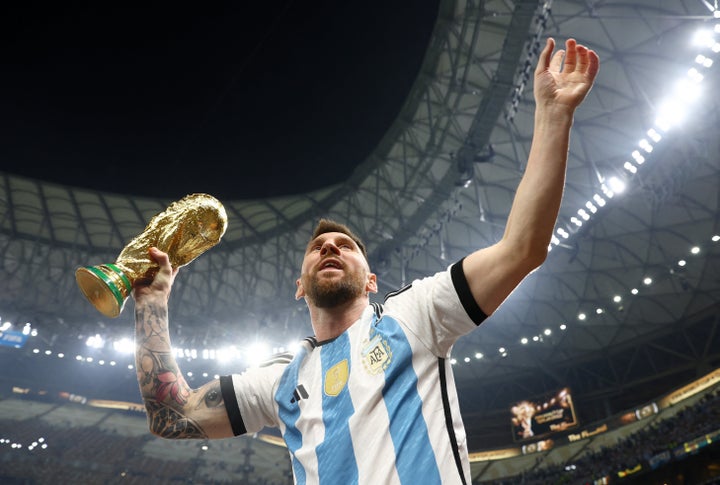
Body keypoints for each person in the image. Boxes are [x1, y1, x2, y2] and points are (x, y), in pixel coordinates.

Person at [132, 37, 599, 485]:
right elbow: (172, 417)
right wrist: (152, 301)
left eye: (344, 246)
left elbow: (522, 248)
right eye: (318, 248)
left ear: (371, 281)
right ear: (300, 286)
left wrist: (554, 115)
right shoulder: (280, 379)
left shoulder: (416, 314)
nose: (329, 248)